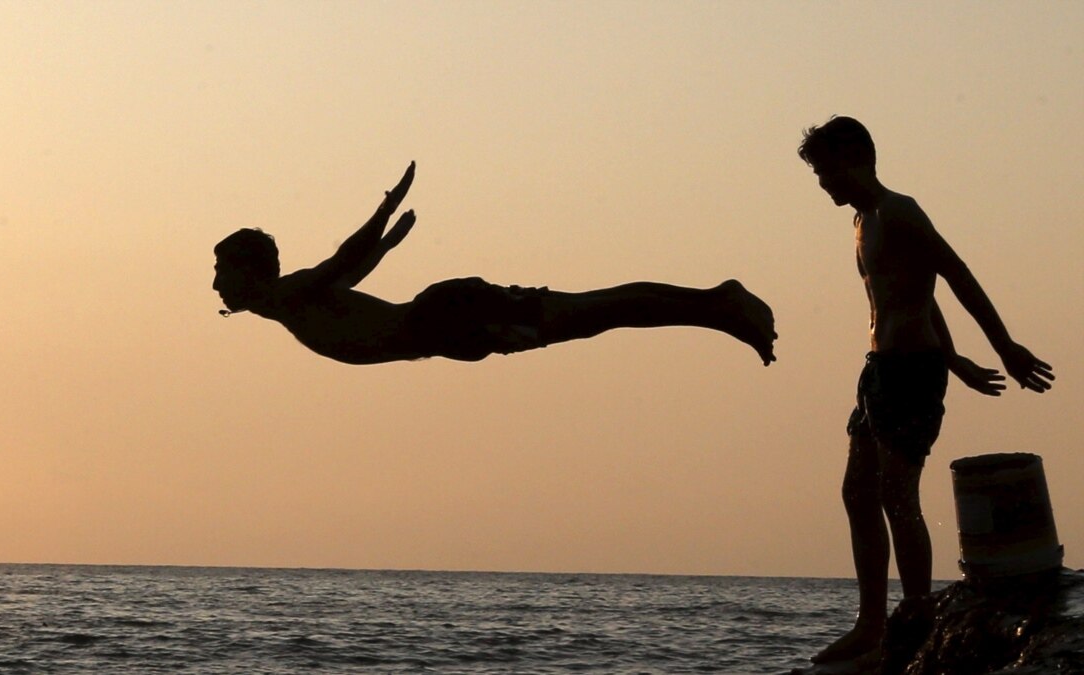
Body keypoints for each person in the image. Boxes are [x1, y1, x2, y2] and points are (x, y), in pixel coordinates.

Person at [797, 117, 1054, 664]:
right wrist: (956, 357)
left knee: (896, 492)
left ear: (856, 159)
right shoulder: (863, 221)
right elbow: (919, 292)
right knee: (856, 493)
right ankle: (870, 625)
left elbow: (954, 274)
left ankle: (912, 616)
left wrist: (1005, 346)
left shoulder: (899, 211)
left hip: (912, 372)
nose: (823, 183)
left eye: (825, 171)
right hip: (880, 369)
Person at [213, 161, 776, 366]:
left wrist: (385, 209)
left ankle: (720, 303)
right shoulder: (289, 304)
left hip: (450, 319)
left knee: (596, 312)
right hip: (450, 325)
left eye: (221, 271)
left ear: (249, 272)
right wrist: (388, 245)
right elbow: (346, 278)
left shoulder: (284, 297)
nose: (214, 284)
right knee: (594, 312)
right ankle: (716, 307)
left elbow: (342, 261)